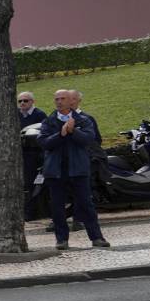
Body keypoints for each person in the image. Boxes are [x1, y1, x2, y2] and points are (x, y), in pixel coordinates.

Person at [38, 89, 111, 250]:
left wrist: (73, 131)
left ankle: (97, 237)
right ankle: (62, 239)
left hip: (78, 169)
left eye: (62, 98)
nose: (59, 101)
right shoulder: (48, 121)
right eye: (56, 99)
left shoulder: (83, 120)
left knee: (86, 204)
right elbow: (44, 142)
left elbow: (88, 139)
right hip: (56, 170)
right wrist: (61, 133)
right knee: (57, 206)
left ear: (71, 100)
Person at [19, 91, 49, 220]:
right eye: (20, 101)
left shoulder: (39, 114)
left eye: (25, 101)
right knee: (27, 183)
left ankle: (35, 211)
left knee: (36, 182)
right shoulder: (16, 114)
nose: (22, 103)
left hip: (35, 153)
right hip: (22, 152)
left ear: (32, 102)